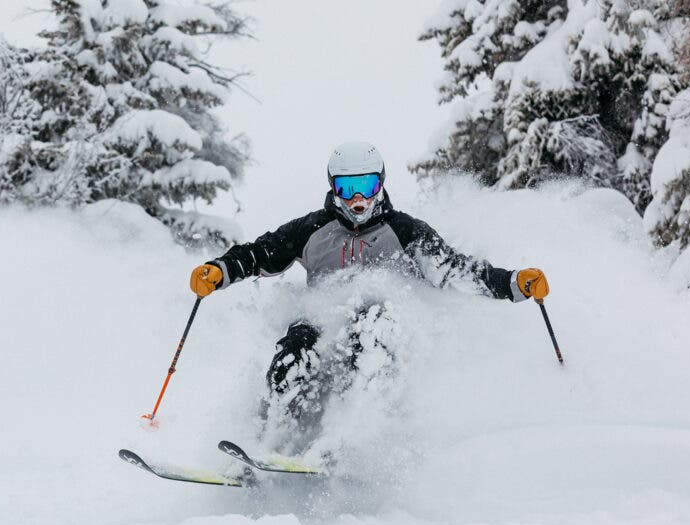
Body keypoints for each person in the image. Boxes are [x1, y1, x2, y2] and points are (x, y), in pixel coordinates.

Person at [188, 141, 549, 441]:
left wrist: (513, 283)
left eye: (367, 186)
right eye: (347, 188)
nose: (358, 198)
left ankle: (349, 438)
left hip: (382, 330)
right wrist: (218, 271)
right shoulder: (313, 228)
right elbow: (259, 253)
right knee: (294, 350)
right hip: (323, 320)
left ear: (380, 185)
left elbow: (456, 271)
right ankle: (269, 441)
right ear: (334, 189)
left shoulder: (405, 230)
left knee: (372, 322)